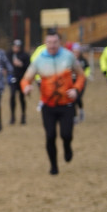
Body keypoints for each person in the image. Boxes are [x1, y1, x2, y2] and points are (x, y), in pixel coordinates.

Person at [20, 30, 86, 175]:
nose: (52, 45)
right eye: (49, 42)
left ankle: (67, 147)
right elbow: (25, 79)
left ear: (59, 42)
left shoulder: (68, 56)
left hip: (67, 104)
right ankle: (53, 166)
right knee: (50, 136)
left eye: (55, 42)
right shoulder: (38, 60)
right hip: (48, 106)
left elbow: (81, 76)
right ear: (45, 43)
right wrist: (26, 88)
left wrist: (76, 89)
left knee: (66, 134)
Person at [7, 39, 30, 124]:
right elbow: (5, 64)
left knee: (21, 97)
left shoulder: (25, 55)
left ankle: (23, 115)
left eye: (18, 47)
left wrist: (21, 65)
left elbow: (29, 67)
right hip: (13, 78)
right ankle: (12, 116)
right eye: (15, 46)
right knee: (12, 95)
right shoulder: (9, 54)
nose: (16, 48)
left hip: (22, 79)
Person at [70, 42, 91, 123]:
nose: (76, 53)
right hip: (72, 81)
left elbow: (88, 68)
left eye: (77, 51)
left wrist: (85, 76)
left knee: (78, 98)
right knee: (73, 99)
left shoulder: (83, 60)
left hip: (81, 82)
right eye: (74, 51)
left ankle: (81, 111)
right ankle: (74, 117)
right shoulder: (70, 60)